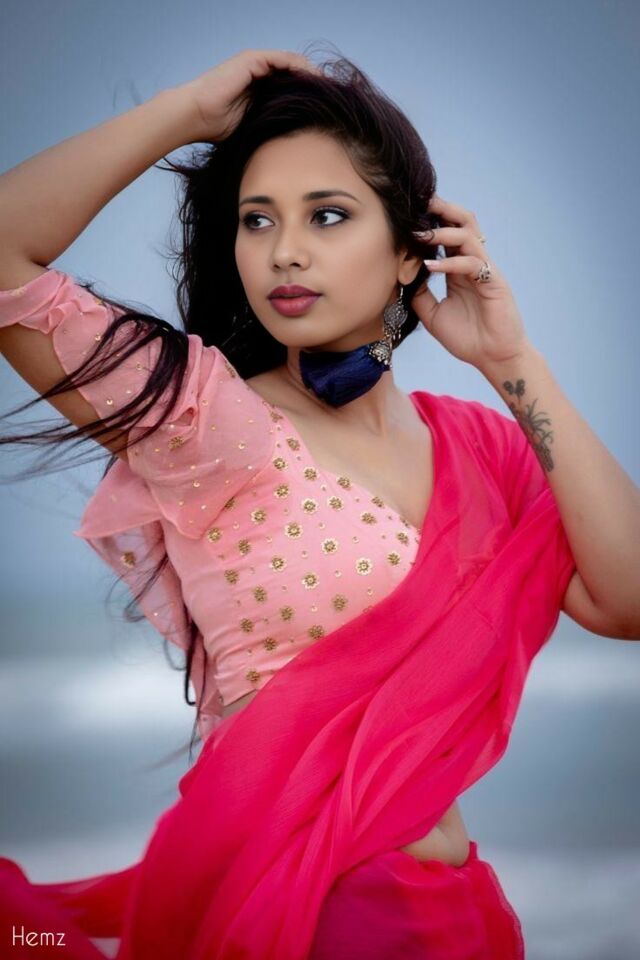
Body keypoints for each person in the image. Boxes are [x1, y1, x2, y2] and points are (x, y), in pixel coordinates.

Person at [0, 46, 638, 960]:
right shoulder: (211, 420)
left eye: (327, 215)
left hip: (457, 916)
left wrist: (512, 363)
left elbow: (625, 598)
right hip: (306, 915)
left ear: (409, 249)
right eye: (256, 220)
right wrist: (185, 112)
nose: (285, 251)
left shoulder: (482, 446)